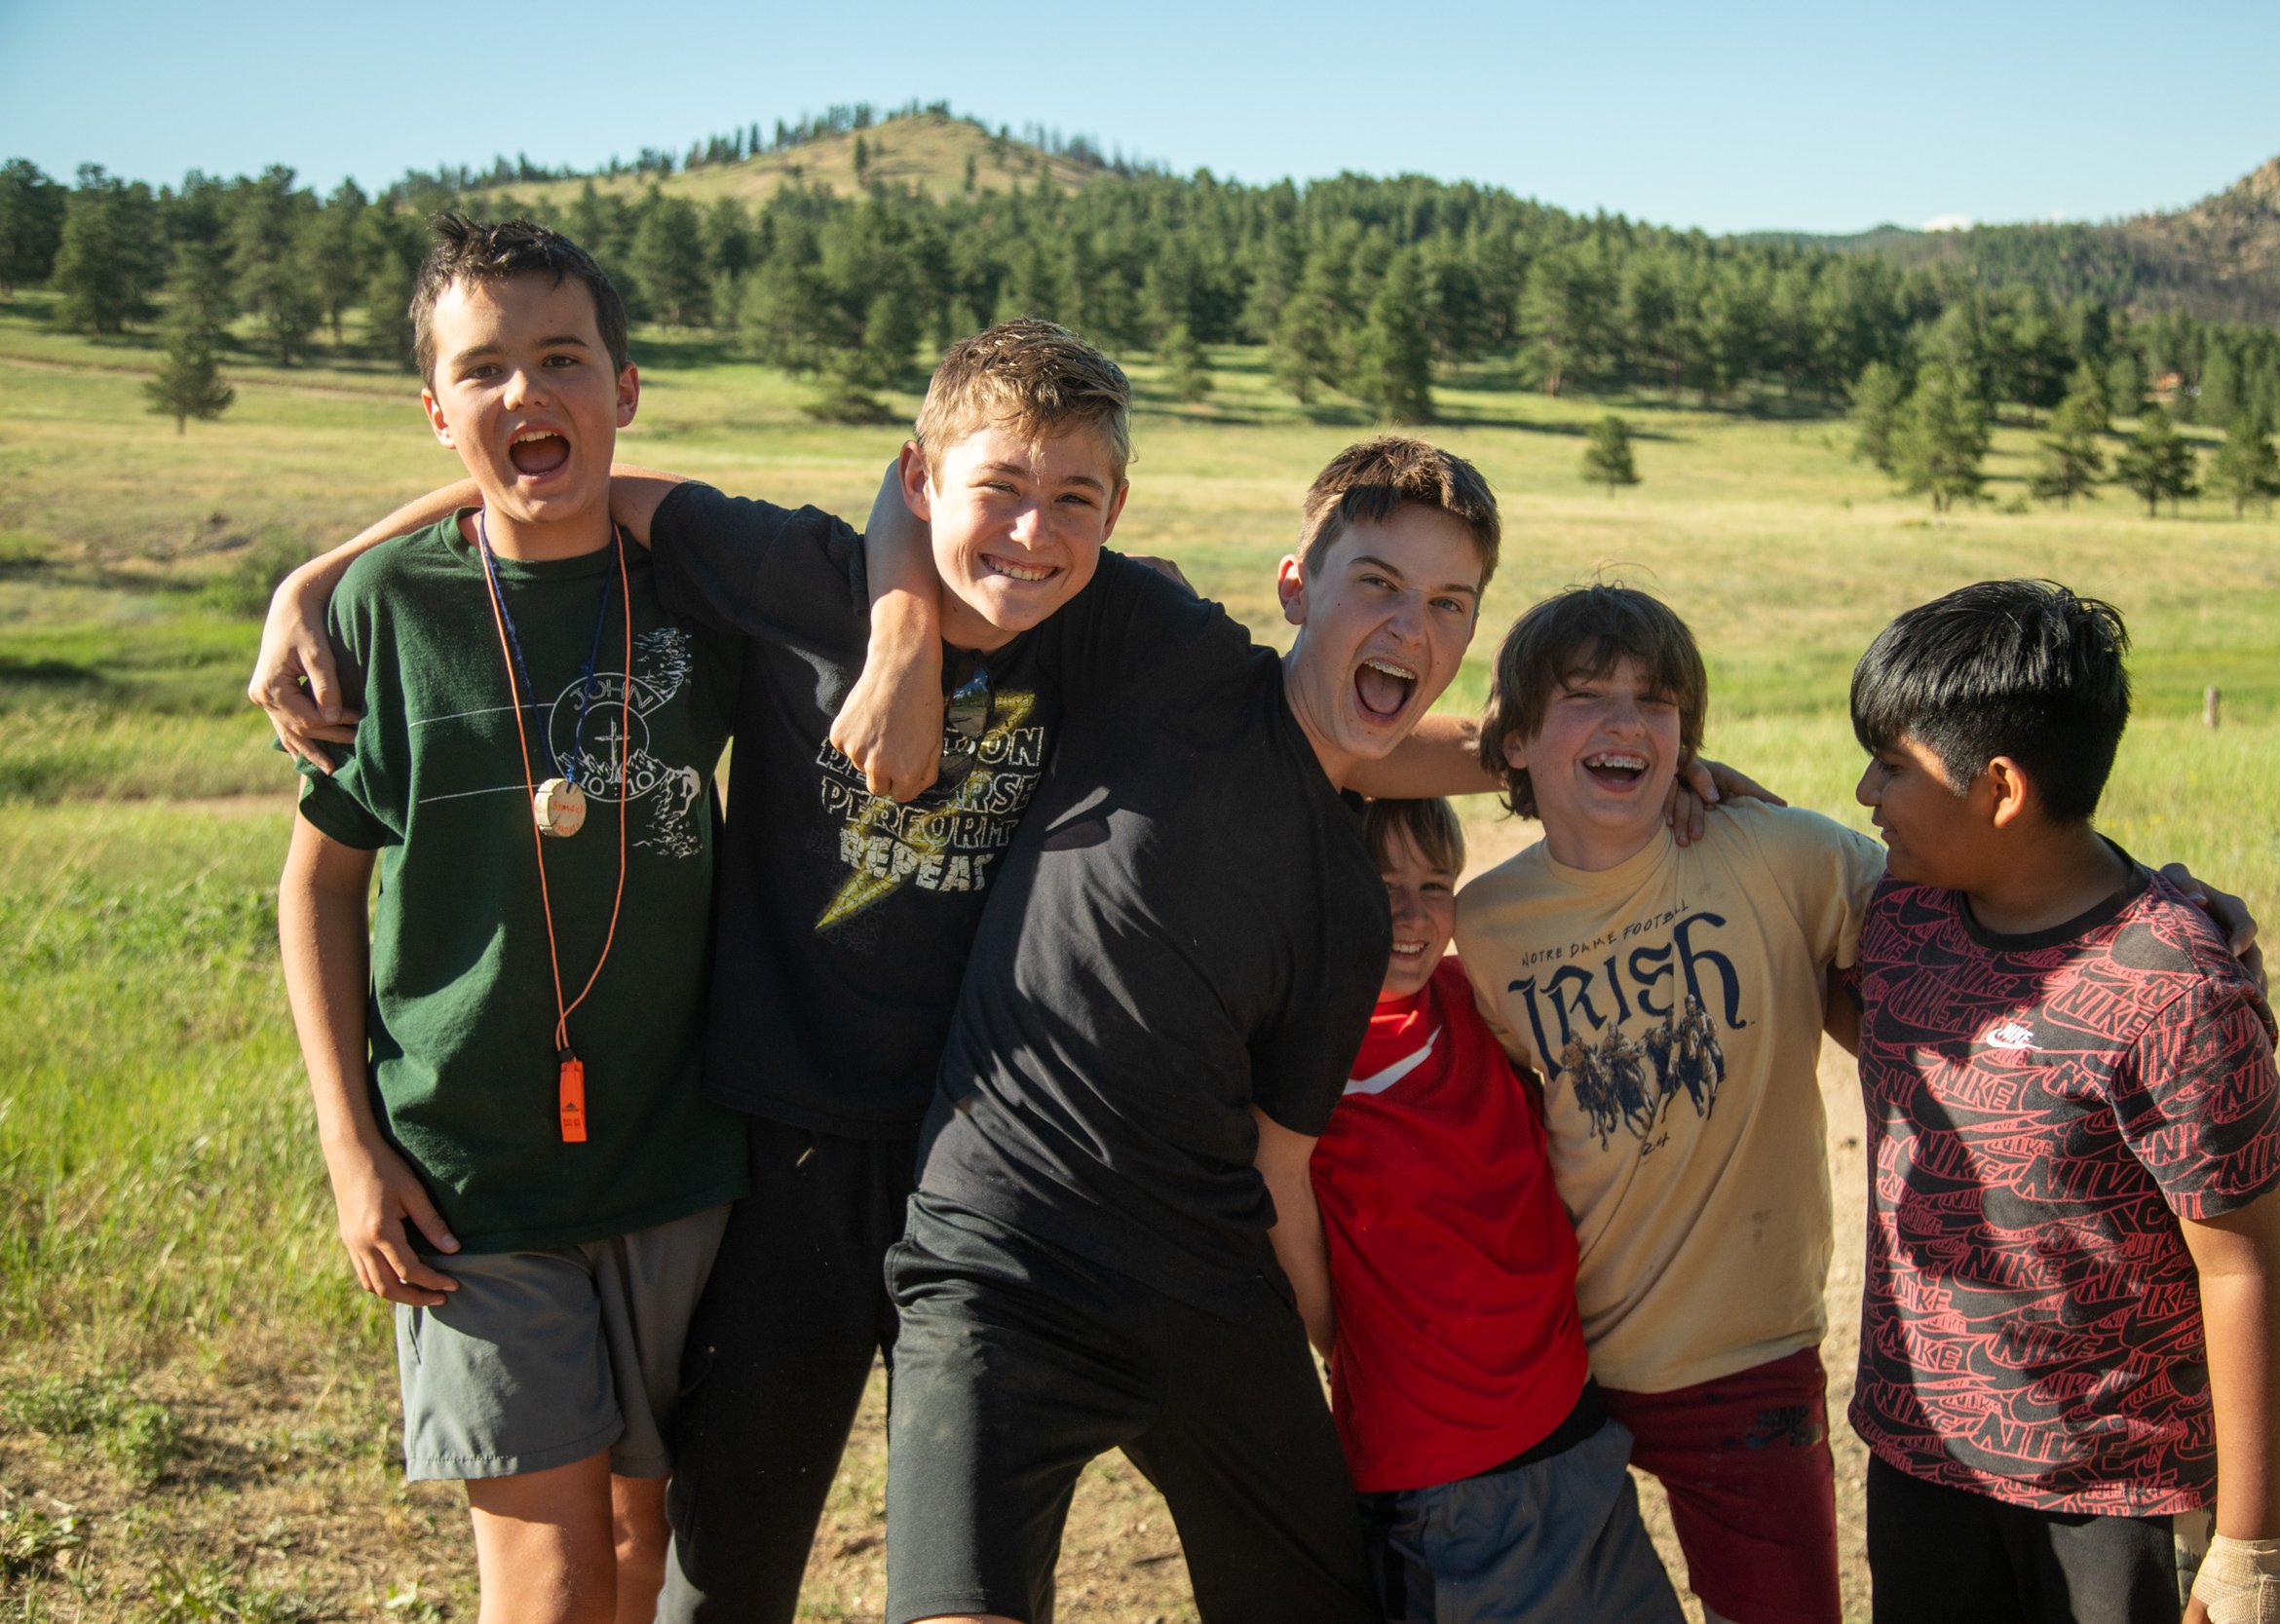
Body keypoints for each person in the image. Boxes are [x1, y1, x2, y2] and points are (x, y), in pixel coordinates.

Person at [253, 325, 1502, 1622]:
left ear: (1116, 511)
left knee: (965, 1532)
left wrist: (1555, 760)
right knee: (732, 1542)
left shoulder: (1118, 624)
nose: (1031, 534)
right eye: (998, 490)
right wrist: (324, 572)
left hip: (986, 1161)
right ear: (919, 481)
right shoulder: (804, 572)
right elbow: (556, 486)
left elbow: (1315, 723)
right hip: (792, 1146)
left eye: (1074, 499)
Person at [865, 436, 1504, 1624]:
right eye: (1376, 582)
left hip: (1204, 1281)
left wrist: (1335, 1345)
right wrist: (901, 634)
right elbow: (941, 504)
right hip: (1000, 1252)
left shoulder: (1347, 905)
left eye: (1447, 603)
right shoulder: (1172, 651)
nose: (1410, 628)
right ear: (1294, 586)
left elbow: (1280, 1162)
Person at [275, 215, 744, 1624]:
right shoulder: (387, 607)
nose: (526, 395)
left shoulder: (699, 588)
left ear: (625, 387)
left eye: (562, 359)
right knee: (544, 1578)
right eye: (482, 372)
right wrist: (350, 1145)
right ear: (435, 412)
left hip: (679, 1152)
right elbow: (320, 877)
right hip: (465, 1174)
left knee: (643, 1534)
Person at [1844, 581, 2280, 1624]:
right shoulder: (1899, 916)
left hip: (2114, 1495)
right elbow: (1890, 1048)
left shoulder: (2175, 987)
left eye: (1889, 763)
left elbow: (2242, 1266)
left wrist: (2254, 1545)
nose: (1865, 792)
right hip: (1919, 1456)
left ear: (1999, 787)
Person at [1455, 585, 1881, 1624]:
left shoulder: (1779, 854)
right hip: (1554, 1365)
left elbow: (1967, 915)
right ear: (1513, 742)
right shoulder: (1484, 925)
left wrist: (2155, 901)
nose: (1624, 722)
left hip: (1745, 1358)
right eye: (1586, 696)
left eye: (1654, 702)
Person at [1305, 796, 1684, 1624]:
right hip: (1443, 1484)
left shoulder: (1474, 992)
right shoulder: (1304, 1055)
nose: (1412, 913)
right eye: (1383, 883)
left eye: (1435, 883)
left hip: (1571, 1426)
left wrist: (1685, 786)